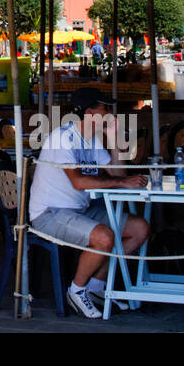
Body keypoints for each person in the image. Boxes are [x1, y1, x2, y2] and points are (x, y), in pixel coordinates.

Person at [29, 86, 149, 319]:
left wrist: (114, 142)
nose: (110, 114)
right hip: (49, 214)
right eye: (105, 108)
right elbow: (79, 182)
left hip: (79, 211)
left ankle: (95, 286)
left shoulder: (92, 139)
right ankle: (76, 290)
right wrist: (123, 184)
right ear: (89, 112)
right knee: (104, 237)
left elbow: (116, 174)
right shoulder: (63, 138)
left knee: (139, 229)